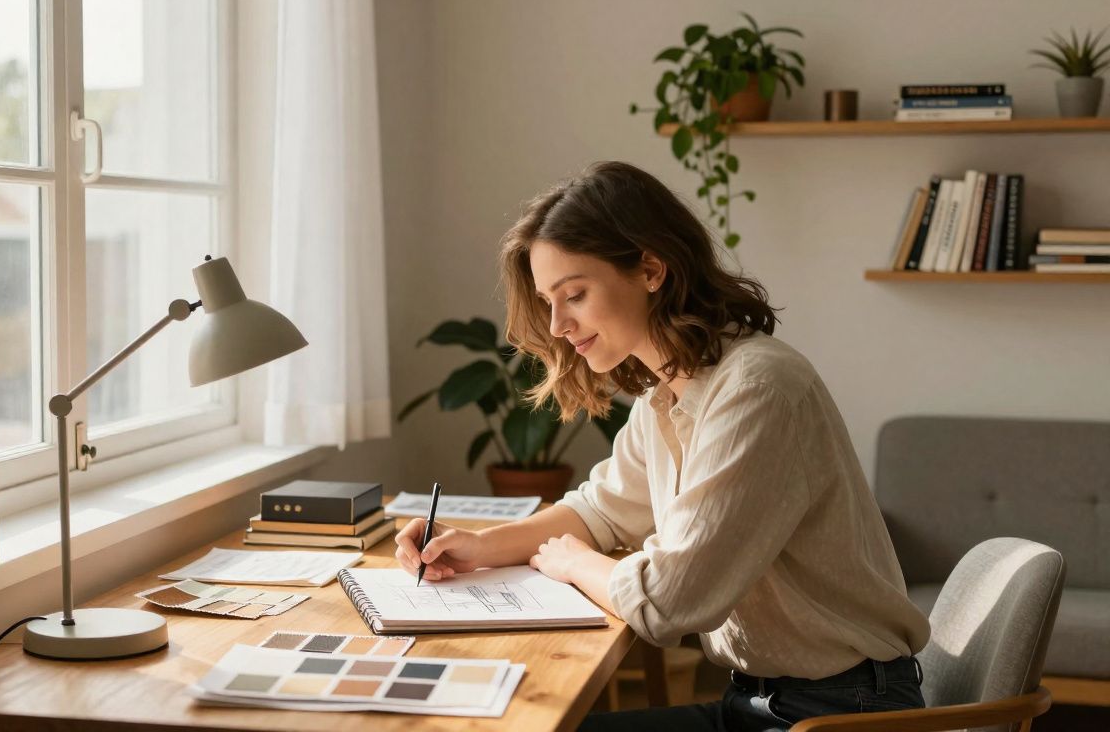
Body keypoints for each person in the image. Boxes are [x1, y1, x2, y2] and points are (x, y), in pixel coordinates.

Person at [393, 161, 930, 731]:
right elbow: (599, 511)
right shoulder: (667, 396)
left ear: (650, 268)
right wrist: (479, 545)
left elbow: (667, 602)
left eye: (574, 294)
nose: (556, 326)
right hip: (762, 704)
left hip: (846, 716)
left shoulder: (758, 389)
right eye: (549, 300)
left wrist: (576, 564)